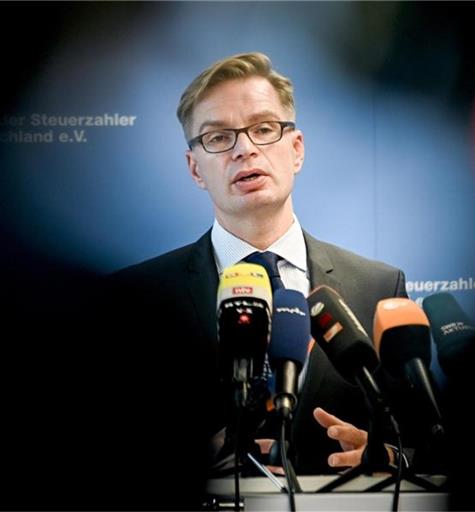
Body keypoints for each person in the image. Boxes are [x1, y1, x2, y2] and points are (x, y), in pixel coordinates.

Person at [106, 52, 408, 489]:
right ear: (195, 169)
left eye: (264, 129)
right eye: (218, 138)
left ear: (297, 149)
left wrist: (387, 454)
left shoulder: (379, 287)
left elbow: (423, 441)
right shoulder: (138, 298)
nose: (244, 149)